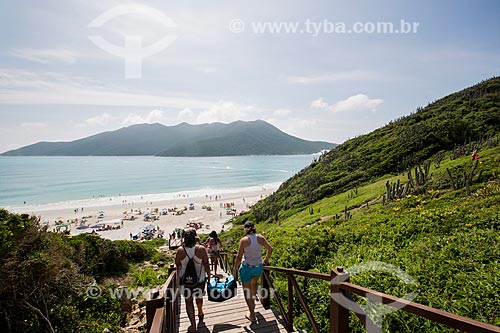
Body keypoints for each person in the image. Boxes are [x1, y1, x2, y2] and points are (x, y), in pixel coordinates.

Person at [233, 221, 273, 323]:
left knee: (247, 291)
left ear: (245, 229)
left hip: (246, 268)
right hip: (258, 267)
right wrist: (266, 259)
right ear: (254, 228)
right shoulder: (260, 238)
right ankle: (253, 300)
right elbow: (270, 249)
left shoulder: (244, 240)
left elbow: (238, 257)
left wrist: (235, 270)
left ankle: (252, 314)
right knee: (254, 282)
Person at [175, 228, 210, 333]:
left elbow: (178, 265)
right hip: (200, 279)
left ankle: (193, 327)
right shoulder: (201, 249)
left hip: (185, 281)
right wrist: (209, 275)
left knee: (188, 301)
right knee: (199, 297)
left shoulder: (180, 250)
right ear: (196, 236)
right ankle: (200, 311)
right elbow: (206, 264)